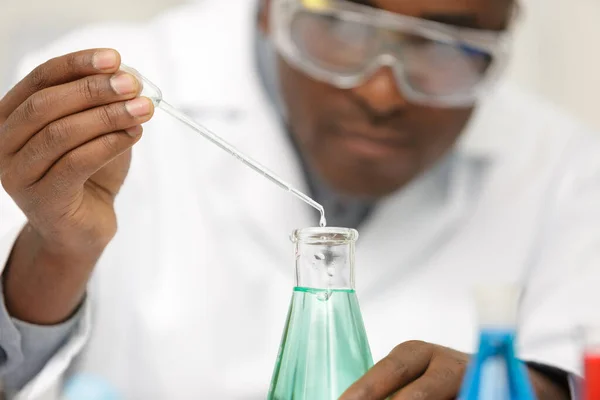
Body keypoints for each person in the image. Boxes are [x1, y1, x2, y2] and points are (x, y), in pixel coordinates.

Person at [0, 0, 598, 398]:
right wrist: (56, 250)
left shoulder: (564, 167)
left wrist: (508, 388)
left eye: (445, 45)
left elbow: (576, 370)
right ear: (268, 9)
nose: (383, 93)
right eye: (340, 24)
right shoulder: (96, 102)